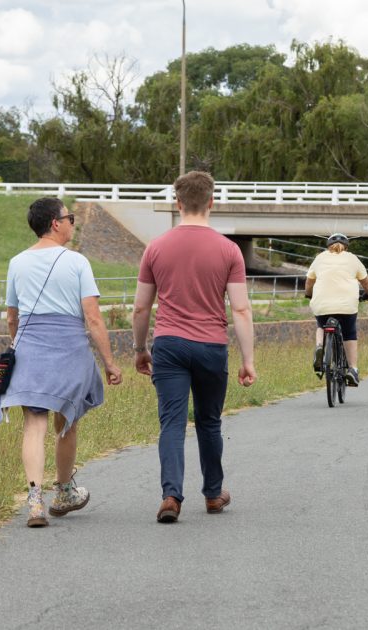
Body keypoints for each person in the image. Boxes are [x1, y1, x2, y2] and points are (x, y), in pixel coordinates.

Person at [0, 197, 124, 528]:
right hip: (70, 349)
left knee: (34, 425)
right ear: (55, 223)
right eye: (69, 217)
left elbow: (12, 317)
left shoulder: (17, 262)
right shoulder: (77, 263)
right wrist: (110, 362)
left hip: (30, 348)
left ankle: (34, 502)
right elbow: (93, 318)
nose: (73, 223)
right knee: (67, 421)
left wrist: (18, 345)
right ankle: (64, 491)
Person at [132, 170, 257, 524]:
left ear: (178, 202)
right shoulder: (228, 250)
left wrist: (141, 348)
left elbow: (141, 307)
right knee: (209, 421)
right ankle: (214, 494)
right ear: (211, 202)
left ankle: (171, 495)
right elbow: (241, 309)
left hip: (169, 344)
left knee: (171, 422)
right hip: (211, 344)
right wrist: (248, 359)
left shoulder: (156, 247)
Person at [305, 233, 368, 386]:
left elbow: (309, 282)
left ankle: (319, 347)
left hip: (322, 303)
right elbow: (366, 282)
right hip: (346, 305)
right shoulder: (352, 258)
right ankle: (353, 370)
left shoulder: (319, 258)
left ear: (328, 246)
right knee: (349, 333)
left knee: (321, 325)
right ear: (346, 246)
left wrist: (308, 294)